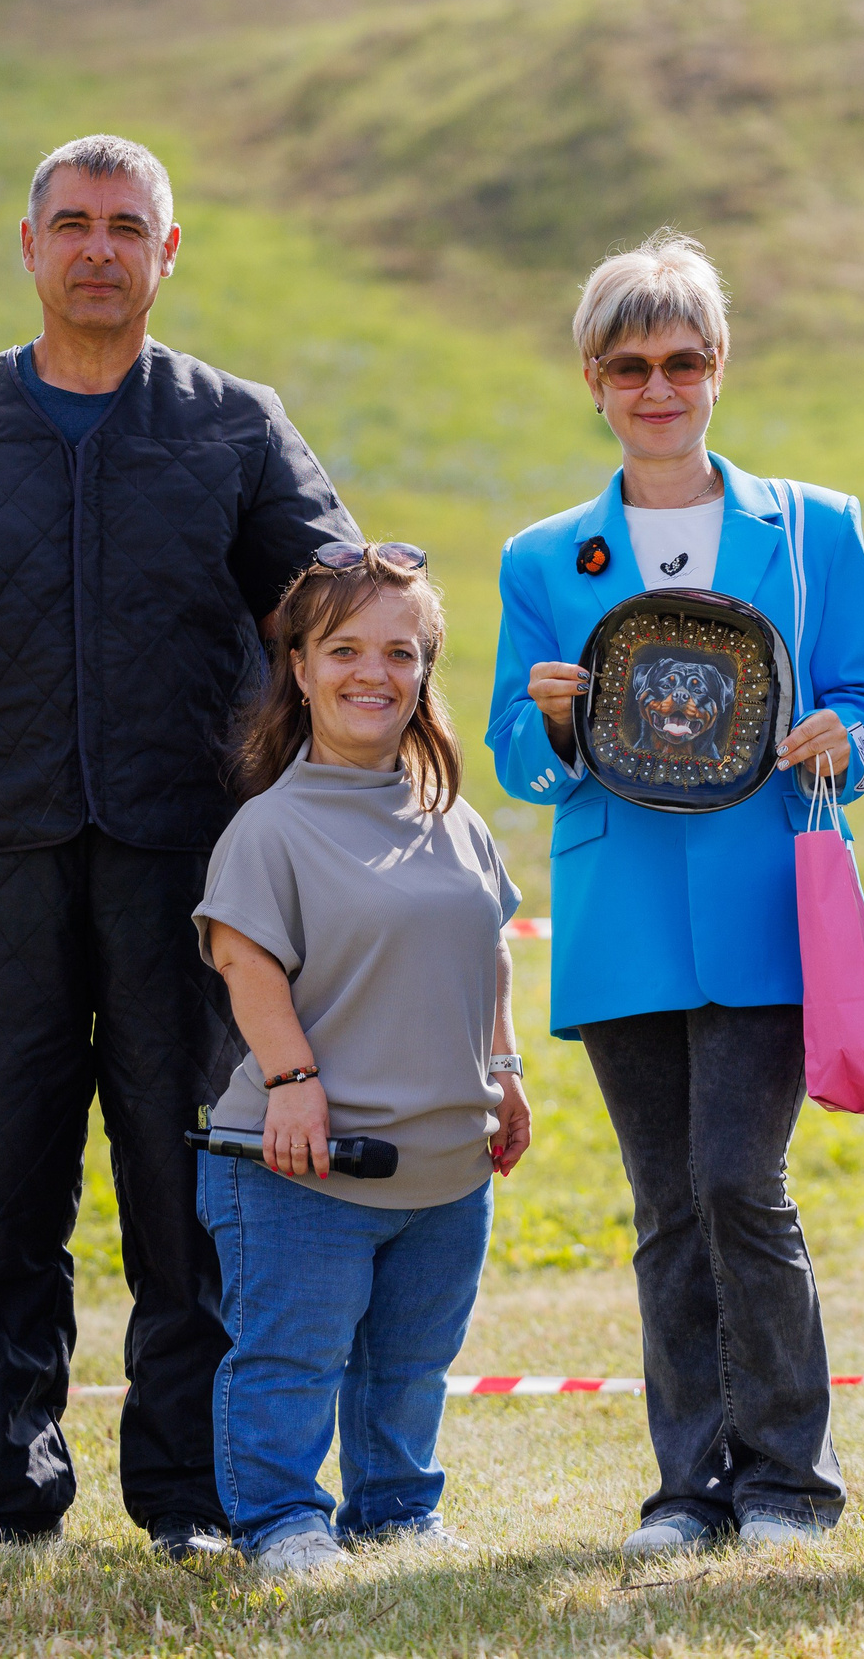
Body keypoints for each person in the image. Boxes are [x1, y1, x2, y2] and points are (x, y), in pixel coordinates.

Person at [0, 134, 357, 1557]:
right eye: (73, 224)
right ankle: (10, 1484)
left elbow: (332, 603)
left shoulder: (235, 425)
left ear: (169, 253)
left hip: (191, 868)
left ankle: (190, 1494)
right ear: (27, 248)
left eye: (127, 226)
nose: (100, 248)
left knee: (188, 1183)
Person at [485, 231, 864, 1555]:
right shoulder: (544, 561)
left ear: (718, 368)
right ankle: (689, 1489)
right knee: (667, 1208)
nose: (656, 387)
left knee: (738, 1180)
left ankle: (789, 1478)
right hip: (621, 925)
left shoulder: (816, 527)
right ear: (594, 383)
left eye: (681, 359)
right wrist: (550, 723)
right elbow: (511, 746)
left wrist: (845, 736)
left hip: (769, 906)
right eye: (628, 365)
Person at [193, 543, 531, 1577]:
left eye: (398, 651)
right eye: (343, 649)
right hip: (301, 1166)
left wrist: (506, 1072)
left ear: (424, 672)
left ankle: (394, 1510)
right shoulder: (269, 827)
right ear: (298, 668)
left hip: (444, 1165)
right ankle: (279, 1521)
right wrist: (294, 1084)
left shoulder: (456, 820)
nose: (370, 674)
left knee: (409, 1364)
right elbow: (245, 962)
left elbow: (492, 946)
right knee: (291, 1360)